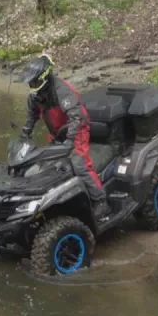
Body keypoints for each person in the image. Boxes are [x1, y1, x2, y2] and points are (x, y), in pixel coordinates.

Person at [17, 53, 112, 218]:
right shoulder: (35, 95)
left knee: (79, 164)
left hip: (77, 129)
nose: (32, 85)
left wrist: (70, 140)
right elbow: (32, 115)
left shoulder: (62, 91)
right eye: (30, 83)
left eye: (35, 81)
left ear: (45, 78)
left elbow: (77, 117)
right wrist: (26, 131)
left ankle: (100, 200)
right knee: (47, 164)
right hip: (57, 132)